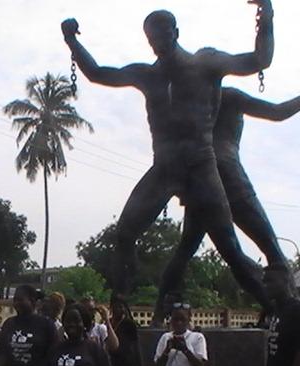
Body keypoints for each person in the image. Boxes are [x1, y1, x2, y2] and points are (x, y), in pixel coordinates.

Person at [61, 1, 274, 311]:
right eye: (151, 40)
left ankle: (275, 308)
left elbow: (259, 59)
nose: (157, 45)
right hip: (165, 168)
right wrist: (72, 40)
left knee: (228, 247)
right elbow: (97, 73)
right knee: (124, 233)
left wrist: (266, 14)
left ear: (175, 32)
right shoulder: (147, 75)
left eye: (161, 37)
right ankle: (120, 302)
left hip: (201, 166)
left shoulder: (206, 65)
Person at [155, 88, 300, 322]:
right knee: (269, 246)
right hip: (229, 174)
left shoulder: (190, 101)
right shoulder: (230, 96)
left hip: (200, 178)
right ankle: (286, 311)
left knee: (189, 249)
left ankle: (158, 313)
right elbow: (277, 112)